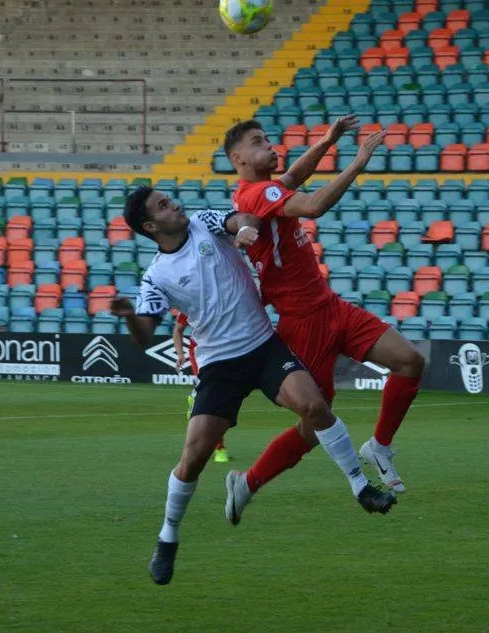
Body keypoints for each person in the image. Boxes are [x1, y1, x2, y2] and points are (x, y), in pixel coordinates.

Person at [112, 187, 396, 585]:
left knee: (314, 407)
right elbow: (144, 336)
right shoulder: (156, 276)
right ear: (149, 226)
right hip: (219, 365)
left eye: (169, 198)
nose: (173, 203)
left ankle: (361, 487)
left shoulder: (203, 223)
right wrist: (129, 314)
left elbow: (238, 219)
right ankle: (168, 536)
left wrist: (245, 228)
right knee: (194, 457)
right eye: (162, 205)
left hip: (262, 346)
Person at [221, 116, 426, 525]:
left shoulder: (266, 189)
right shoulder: (256, 194)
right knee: (313, 426)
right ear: (237, 158)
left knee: (410, 361)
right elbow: (314, 205)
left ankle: (379, 447)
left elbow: (296, 175)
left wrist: (327, 140)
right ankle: (247, 482)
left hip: (332, 307)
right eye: (258, 142)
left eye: (268, 138)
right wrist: (357, 162)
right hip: (303, 325)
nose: (270, 145)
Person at [172, 311, 229, 463]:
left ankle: (196, 398)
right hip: (200, 353)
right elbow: (178, 329)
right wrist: (180, 354)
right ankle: (219, 448)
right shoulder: (191, 303)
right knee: (213, 398)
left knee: (222, 397)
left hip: (224, 350)